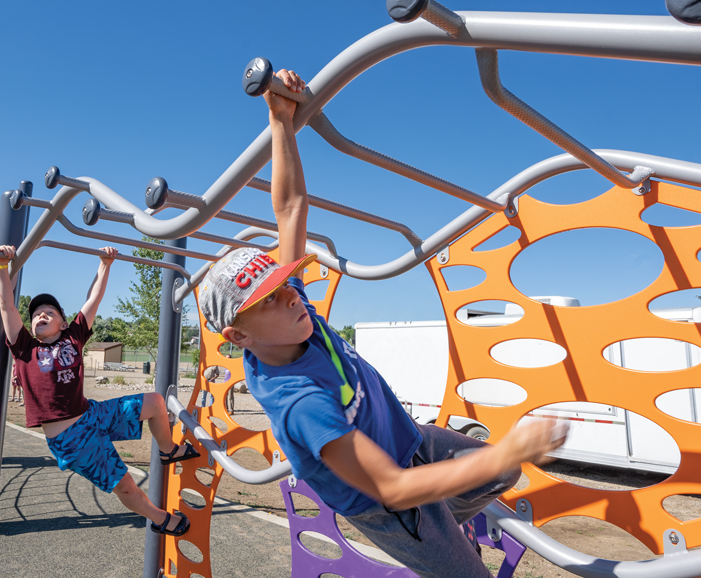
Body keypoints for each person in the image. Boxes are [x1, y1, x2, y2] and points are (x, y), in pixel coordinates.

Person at [197, 69, 567, 578]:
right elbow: (391, 487)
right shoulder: (302, 404)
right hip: (388, 504)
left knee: (499, 471)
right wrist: (514, 445)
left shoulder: (290, 315)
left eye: (286, 286)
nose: (293, 299)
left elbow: (289, 207)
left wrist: (279, 120)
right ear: (240, 337)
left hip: (410, 438)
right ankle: (435, 534)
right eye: (271, 300)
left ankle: (444, 518)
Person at [0, 245, 200, 537]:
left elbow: (94, 298)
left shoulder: (74, 336)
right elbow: (6, 306)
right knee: (125, 485)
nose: (40, 315)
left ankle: (168, 450)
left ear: (63, 323)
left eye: (48, 312)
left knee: (154, 402)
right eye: (36, 314)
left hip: (92, 414)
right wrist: (2, 266)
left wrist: (105, 265)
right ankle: (160, 519)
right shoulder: (26, 348)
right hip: (71, 439)